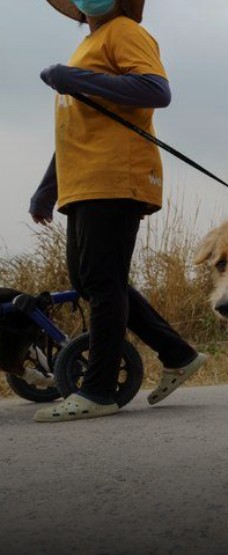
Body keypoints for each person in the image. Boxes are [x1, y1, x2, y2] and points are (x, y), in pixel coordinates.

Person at [29, 0, 207, 422]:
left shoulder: (124, 30)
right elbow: (79, 129)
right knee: (92, 281)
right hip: (84, 180)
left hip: (114, 174)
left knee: (102, 282)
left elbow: (155, 89)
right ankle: (178, 354)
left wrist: (75, 78)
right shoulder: (90, 45)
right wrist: (46, 190)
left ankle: (99, 390)